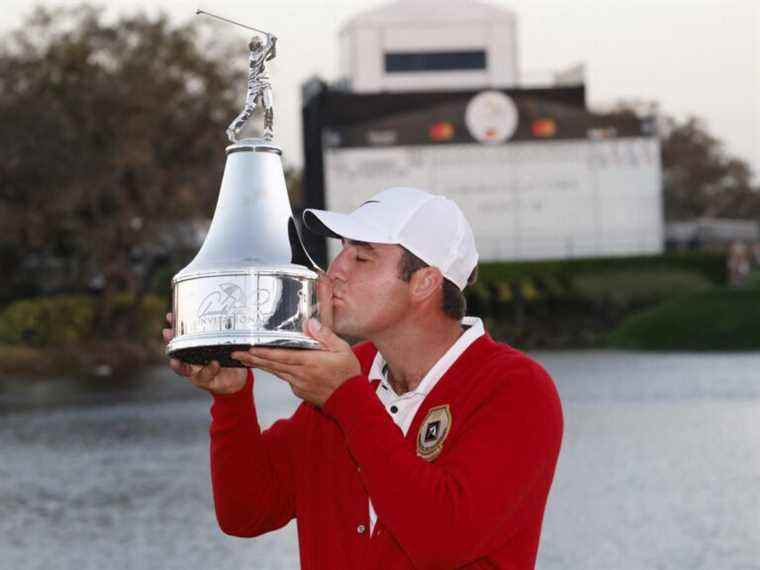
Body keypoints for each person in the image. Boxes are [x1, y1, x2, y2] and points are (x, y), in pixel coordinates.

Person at [163, 187, 564, 569]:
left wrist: (345, 398)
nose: (334, 270)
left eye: (362, 258)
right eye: (342, 251)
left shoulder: (516, 388)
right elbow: (247, 512)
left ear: (424, 282)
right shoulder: (350, 372)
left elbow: (442, 538)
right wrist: (232, 399)